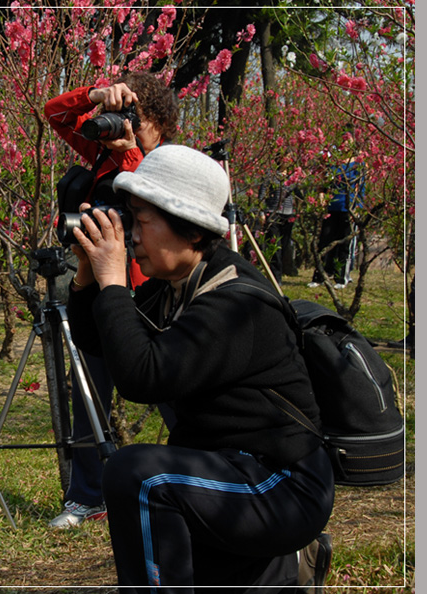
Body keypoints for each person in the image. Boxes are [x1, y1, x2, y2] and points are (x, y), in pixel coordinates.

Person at [67, 144, 335, 591]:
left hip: (282, 485)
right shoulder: (175, 286)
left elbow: (142, 376)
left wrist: (114, 281)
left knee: (140, 476)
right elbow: (101, 342)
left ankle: (286, 557)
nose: (130, 235)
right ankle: (282, 574)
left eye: (141, 220)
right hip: (228, 471)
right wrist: (87, 279)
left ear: (191, 230)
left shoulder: (235, 304)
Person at [44, 72, 178, 528]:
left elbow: (159, 199)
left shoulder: (169, 161)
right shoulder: (101, 155)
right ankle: (87, 495)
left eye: (135, 121)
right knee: (88, 392)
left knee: (170, 387)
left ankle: (208, 471)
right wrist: (96, 95)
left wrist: (131, 154)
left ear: (159, 123)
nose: (125, 128)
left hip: (149, 292)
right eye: (121, 119)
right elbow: (55, 113)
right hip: (100, 287)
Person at [309, 148, 366, 290]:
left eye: (348, 140)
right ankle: (320, 276)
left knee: (344, 243)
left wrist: (357, 209)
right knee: (324, 241)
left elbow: (361, 188)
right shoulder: (331, 163)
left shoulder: (358, 164)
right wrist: (321, 196)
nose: (345, 144)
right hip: (331, 207)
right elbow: (323, 183)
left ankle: (341, 277)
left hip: (348, 208)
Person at [256, 162, 301, 285]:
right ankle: (275, 277)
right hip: (273, 212)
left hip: (288, 214)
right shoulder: (271, 175)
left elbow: (300, 195)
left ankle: (280, 274)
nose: (287, 160)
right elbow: (262, 193)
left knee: (285, 246)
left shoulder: (294, 177)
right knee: (275, 245)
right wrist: (262, 212)